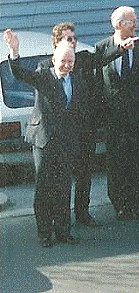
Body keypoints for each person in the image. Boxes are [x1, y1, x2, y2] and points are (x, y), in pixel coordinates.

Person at [5, 30, 92, 246]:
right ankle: (45, 233)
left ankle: (63, 231)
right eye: (63, 61)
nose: (67, 65)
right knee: (44, 188)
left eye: (70, 61)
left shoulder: (78, 82)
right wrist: (14, 50)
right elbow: (19, 73)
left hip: (66, 142)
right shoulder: (43, 76)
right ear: (54, 60)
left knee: (63, 187)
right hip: (44, 140)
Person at [93, 7, 139, 221]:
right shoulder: (102, 48)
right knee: (115, 162)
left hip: (137, 117)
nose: (136, 25)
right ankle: (118, 204)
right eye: (131, 22)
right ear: (118, 24)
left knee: (136, 161)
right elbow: (97, 84)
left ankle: (135, 205)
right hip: (113, 117)